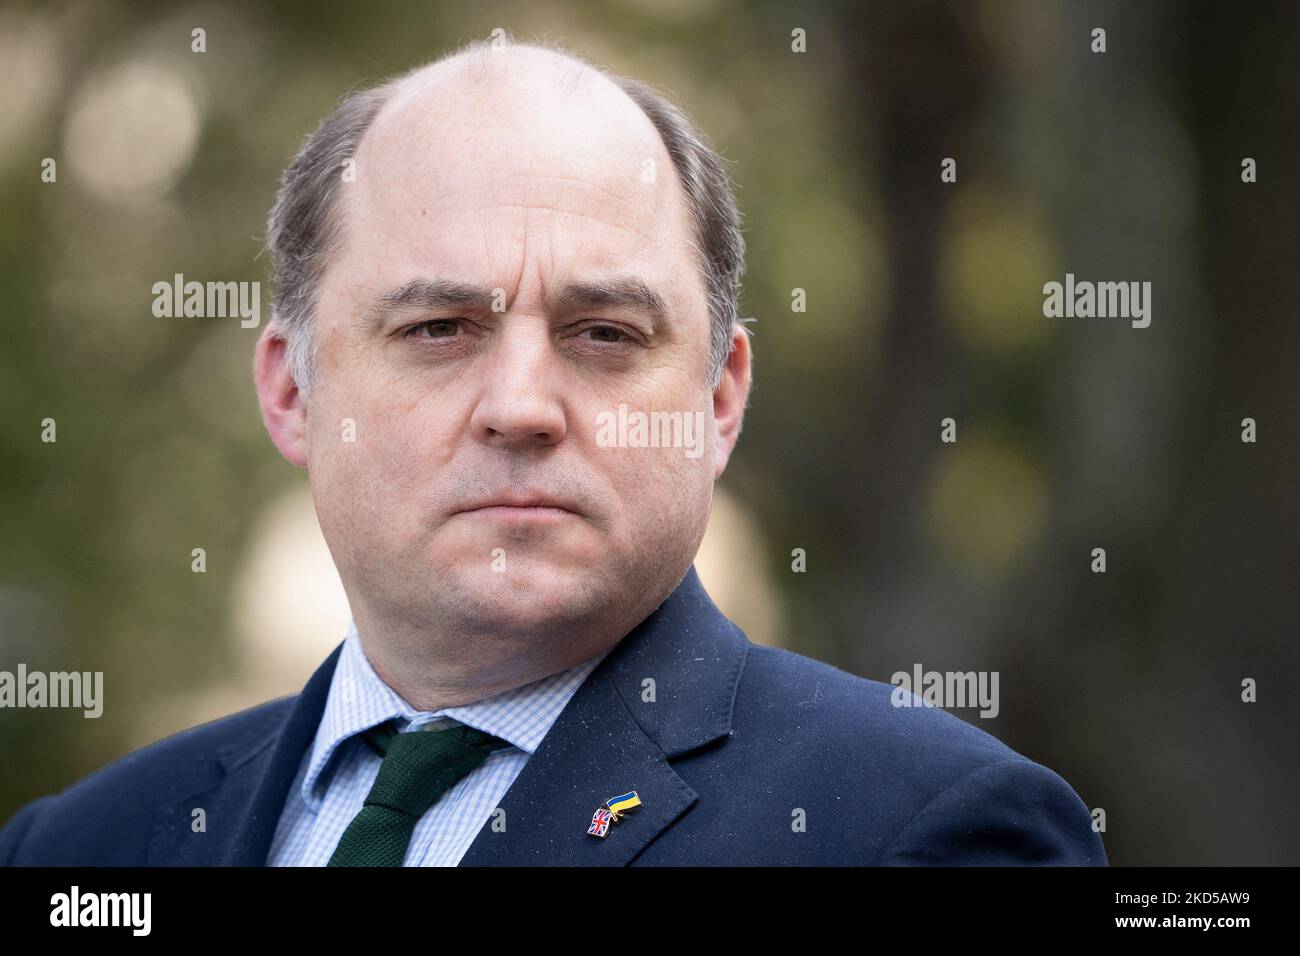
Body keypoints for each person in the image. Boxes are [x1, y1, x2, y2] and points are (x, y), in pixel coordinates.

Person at [0, 37, 1106, 866]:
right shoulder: (80, 849)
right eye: (438, 330)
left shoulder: (921, 827)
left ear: (718, 401)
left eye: (605, 334)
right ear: (292, 391)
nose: (522, 405)